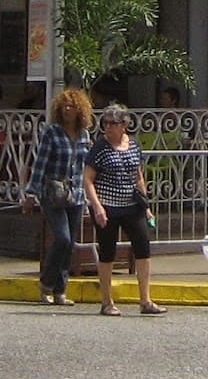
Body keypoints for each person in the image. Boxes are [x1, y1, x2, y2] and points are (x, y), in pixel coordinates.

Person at [83, 103, 165, 317]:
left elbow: (138, 176)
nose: (108, 127)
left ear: (124, 125)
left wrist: (146, 206)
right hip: (108, 206)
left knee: (142, 246)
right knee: (108, 251)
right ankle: (106, 301)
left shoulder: (134, 146)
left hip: (131, 205)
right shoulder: (100, 148)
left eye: (113, 123)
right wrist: (97, 206)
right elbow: (88, 179)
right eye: (105, 123)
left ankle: (145, 299)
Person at [22, 86, 93, 306]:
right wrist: (31, 194)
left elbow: (85, 166)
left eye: (72, 106)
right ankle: (46, 284)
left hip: (76, 193)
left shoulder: (84, 134)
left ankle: (60, 290)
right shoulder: (51, 133)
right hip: (53, 192)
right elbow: (40, 164)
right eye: (64, 107)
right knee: (61, 238)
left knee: (70, 243)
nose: (68, 110)